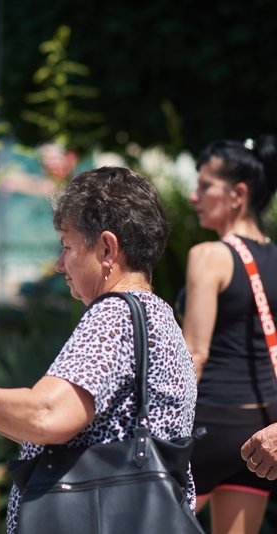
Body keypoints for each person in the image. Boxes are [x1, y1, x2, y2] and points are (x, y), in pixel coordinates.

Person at [0, 166, 198, 534]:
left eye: (67, 246)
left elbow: (49, 416)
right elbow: (86, 436)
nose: (59, 264)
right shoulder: (158, 314)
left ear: (107, 248)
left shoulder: (114, 315)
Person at [179, 135, 277, 534]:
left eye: (204, 186)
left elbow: (194, 353)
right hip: (262, 432)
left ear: (238, 194)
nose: (193, 195)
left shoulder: (209, 256)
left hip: (210, 425)